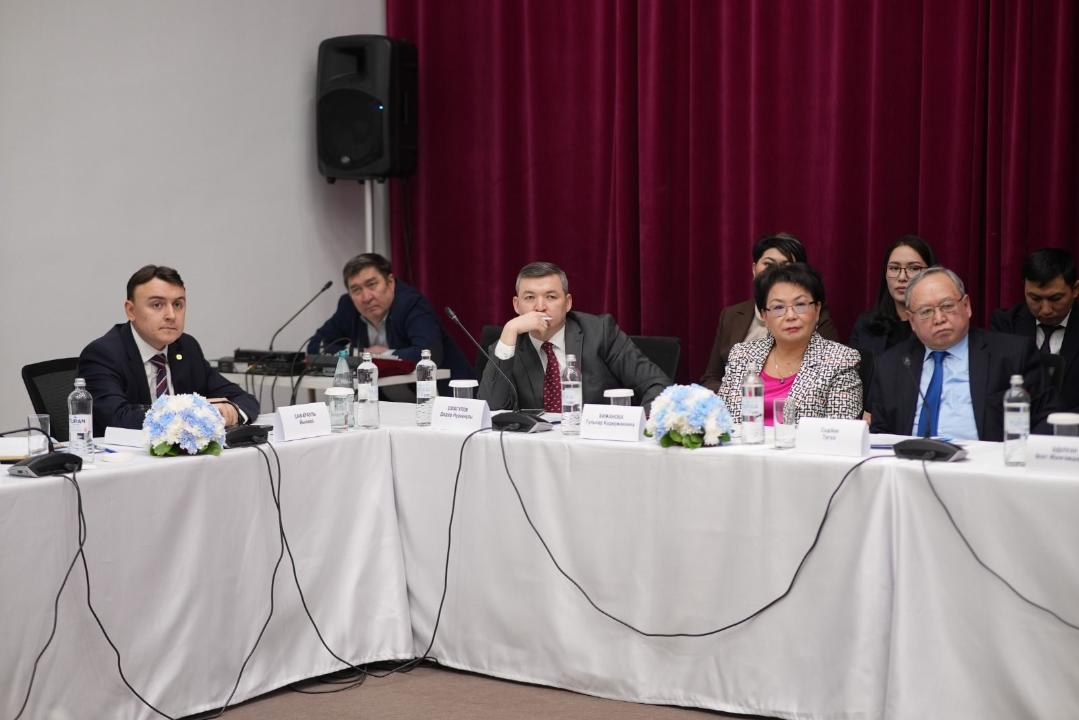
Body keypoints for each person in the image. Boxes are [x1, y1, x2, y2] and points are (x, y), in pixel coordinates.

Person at [870, 267, 1056, 441]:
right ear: (912, 321)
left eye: (947, 306)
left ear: (966, 306)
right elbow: (881, 435)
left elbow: (1047, 418)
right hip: (910, 462)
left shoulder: (1012, 355)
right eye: (926, 312)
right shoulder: (890, 365)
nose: (939, 319)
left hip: (985, 462)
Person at [79, 265, 260, 436]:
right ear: (131, 310)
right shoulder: (103, 354)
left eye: (178, 305)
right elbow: (118, 418)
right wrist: (194, 414)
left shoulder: (186, 347)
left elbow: (243, 398)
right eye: (157, 305)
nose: (171, 315)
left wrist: (233, 411)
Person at [478, 261, 670, 410]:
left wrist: (637, 427)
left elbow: (657, 385)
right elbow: (491, 410)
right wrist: (509, 330)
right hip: (536, 446)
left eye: (551, 297)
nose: (540, 307)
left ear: (568, 303)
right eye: (529, 298)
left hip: (597, 440)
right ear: (516, 305)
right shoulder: (507, 346)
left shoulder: (600, 332)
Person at [718, 263, 862, 424]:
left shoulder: (840, 360)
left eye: (800, 305)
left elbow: (840, 431)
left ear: (817, 310)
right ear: (765, 316)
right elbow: (721, 421)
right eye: (779, 307)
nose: (790, 316)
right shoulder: (742, 355)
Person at [700, 233, 839, 391]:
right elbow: (711, 377)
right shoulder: (731, 315)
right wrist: (743, 395)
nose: (775, 272)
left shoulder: (812, 314)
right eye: (768, 264)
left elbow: (829, 371)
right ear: (754, 269)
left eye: (786, 266)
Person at [308, 253, 473, 380]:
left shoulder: (410, 303)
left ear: (390, 282)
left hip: (447, 396)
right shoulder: (348, 307)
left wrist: (383, 356)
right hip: (391, 398)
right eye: (356, 290)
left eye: (372, 285)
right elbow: (315, 346)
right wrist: (363, 354)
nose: (366, 297)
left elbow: (429, 352)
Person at [990, 248, 1078, 411]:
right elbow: (995, 386)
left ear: (1075, 290)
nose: (1045, 310)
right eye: (1035, 298)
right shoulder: (1006, 324)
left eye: (1055, 298)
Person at [849, 235, 937, 357]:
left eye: (913, 268)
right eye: (894, 268)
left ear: (930, 273)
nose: (902, 277)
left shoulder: (940, 323)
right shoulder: (865, 326)